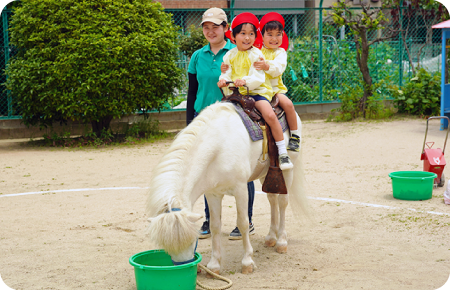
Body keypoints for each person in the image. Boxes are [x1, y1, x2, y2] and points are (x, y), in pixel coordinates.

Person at [186, 7, 255, 240]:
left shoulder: (236, 51)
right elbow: (192, 91)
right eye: (206, 27)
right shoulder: (197, 56)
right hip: (202, 120)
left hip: (231, 119)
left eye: (215, 26)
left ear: (226, 28)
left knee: (241, 168)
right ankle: (208, 219)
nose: (210, 31)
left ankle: (246, 220)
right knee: (205, 171)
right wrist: (190, 123)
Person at [218, 12, 294, 171]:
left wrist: (244, 81)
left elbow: (258, 77)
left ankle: (282, 152)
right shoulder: (229, 55)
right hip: (235, 94)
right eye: (243, 33)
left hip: (257, 92)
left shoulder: (257, 54)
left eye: (251, 34)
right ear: (233, 35)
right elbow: (227, 72)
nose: (247, 38)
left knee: (269, 115)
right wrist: (223, 80)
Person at [258, 12, 300, 152]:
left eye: (278, 34)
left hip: (275, 89)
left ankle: (295, 135)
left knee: (287, 104)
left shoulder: (280, 52)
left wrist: (266, 65)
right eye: (270, 34)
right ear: (262, 35)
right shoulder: (256, 52)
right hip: (258, 89)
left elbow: (278, 68)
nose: (274, 38)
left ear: (283, 36)